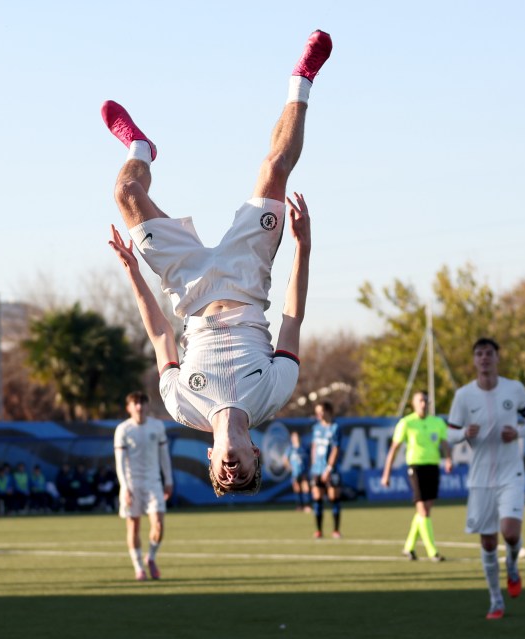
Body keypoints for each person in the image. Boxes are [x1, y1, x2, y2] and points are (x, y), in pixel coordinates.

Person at [104, 29, 331, 496]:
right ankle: (302, 79)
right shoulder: (274, 393)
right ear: (254, 455)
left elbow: (161, 335)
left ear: (210, 458)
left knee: (126, 194)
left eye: (223, 476)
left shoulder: (181, 406)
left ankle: (140, 149)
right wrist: (302, 246)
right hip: (247, 278)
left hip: (188, 289)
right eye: (243, 472)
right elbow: (292, 317)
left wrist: (132, 272)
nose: (232, 472)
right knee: (273, 170)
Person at [447, 337, 525, 620]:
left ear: (497, 358)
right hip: (480, 480)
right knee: (488, 543)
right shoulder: (464, 395)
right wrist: (465, 434)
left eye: (489, 353)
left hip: (511, 474)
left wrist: (519, 432)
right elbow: (450, 434)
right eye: (479, 354)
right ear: (474, 360)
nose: (484, 358)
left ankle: (512, 566)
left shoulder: (514, 388)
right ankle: (495, 600)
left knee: (510, 533)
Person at [380, 390, 453, 562]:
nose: (423, 404)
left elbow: (444, 443)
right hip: (416, 468)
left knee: (425, 510)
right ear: (413, 404)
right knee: (423, 510)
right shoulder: (406, 423)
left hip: (433, 467)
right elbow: (394, 449)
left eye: (426, 401)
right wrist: (386, 473)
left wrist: (449, 459)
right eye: (420, 400)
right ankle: (432, 551)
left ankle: (409, 547)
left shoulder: (437, 422)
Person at [114, 391, 174, 581]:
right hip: (132, 484)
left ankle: (151, 558)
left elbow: (164, 456)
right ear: (129, 408)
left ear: (148, 406)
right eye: (135, 403)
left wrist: (169, 480)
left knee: (158, 524)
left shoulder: (157, 426)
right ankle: (138, 568)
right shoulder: (123, 430)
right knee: (134, 527)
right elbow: (120, 462)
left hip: (153, 482)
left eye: (142, 403)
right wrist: (124, 487)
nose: (139, 407)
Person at [309, 401, 343, 538]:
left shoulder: (335, 427)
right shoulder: (316, 428)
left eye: (320, 411)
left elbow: (336, 449)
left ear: (328, 411)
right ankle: (319, 531)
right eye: (316, 412)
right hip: (317, 470)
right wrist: (313, 465)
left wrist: (329, 468)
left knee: (334, 497)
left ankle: (335, 530)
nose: (318, 414)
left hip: (331, 470)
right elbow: (314, 447)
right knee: (317, 499)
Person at [284, 430, 310, 511]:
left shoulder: (304, 447)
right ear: (292, 438)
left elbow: (311, 458)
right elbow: (285, 460)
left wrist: (309, 466)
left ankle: (307, 505)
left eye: (297, 436)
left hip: (304, 471)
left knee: (306, 488)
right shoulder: (290, 449)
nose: (296, 438)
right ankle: (299, 506)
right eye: (294, 437)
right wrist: (289, 467)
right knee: (297, 488)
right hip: (295, 472)